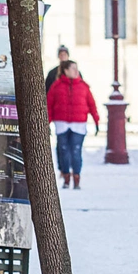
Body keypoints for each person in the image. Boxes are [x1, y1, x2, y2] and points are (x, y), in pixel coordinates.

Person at [46, 60, 99, 189]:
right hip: (61, 124)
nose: (76, 71)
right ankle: (66, 177)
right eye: (73, 68)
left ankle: (76, 177)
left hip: (78, 124)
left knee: (76, 151)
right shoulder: (56, 86)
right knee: (63, 151)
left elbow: (91, 105)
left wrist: (96, 120)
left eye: (76, 68)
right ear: (66, 71)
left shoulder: (83, 86)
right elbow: (49, 105)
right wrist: (47, 123)